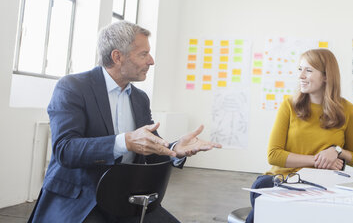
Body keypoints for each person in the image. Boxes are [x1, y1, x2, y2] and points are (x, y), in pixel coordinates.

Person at [28, 21, 221, 223]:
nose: (151, 61)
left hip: (124, 198)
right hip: (81, 200)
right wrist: (124, 142)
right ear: (117, 57)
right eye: (143, 54)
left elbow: (150, 145)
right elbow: (65, 149)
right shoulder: (72, 87)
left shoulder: (139, 98)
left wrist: (174, 149)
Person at [246, 48, 353, 223]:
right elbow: (274, 155)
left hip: (319, 185)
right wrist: (318, 160)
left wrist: (336, 151)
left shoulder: (349, 111)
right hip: (281, 180)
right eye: (300, 69)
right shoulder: (289, 105)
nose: (301, 76)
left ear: (326, 76)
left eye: (308, 70)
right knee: (266, 195)